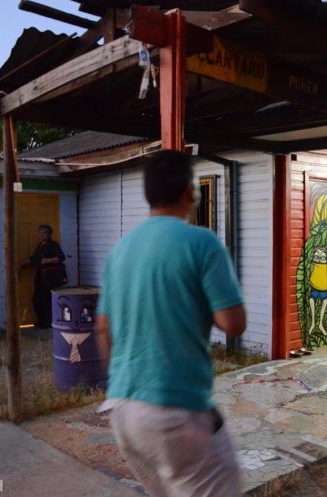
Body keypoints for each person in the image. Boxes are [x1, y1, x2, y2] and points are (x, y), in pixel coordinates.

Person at [95, 150, 247, 497]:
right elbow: (233, 323)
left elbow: (103, 329)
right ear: (189, 192)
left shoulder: (120, 251)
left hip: (123, 412)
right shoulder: (201, 242)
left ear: (149, 193)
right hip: (175, 413)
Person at [20, 224, 65, 329]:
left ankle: (47, 323)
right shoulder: (40, 245)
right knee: (37, 299)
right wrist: (22, 264)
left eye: (43, 233)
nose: (40, 235)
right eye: (39, 232)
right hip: (40, 277)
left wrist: (47, 260)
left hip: (49, 278)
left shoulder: (53, 245)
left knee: (46, 301)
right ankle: (41, 321)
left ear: (48, 234)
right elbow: (34, 258)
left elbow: (61, 258)